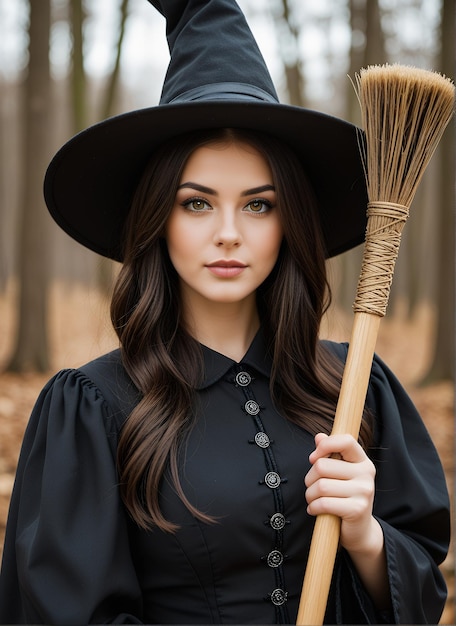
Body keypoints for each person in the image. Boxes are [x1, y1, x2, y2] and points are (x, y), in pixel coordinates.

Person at [0, 0, 450, 624]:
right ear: (158, 220)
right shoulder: (93, 409)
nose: (230, 234)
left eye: (259, 205)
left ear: (290, 223)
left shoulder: (356, 386)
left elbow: (424, 590)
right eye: (197, 203)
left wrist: (367, 538)